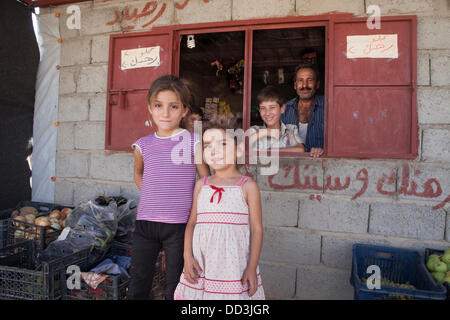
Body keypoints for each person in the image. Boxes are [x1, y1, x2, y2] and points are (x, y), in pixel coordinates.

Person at [128, 74, 209, 300]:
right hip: (145, 224)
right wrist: (152, 194)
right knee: (139, 280)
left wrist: (198, 212)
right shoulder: (142, 144)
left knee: (176, 285)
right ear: (150, 108)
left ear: (184, 110)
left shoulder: (193, 142)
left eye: (173, 106)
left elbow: (205, 179)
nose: (165, 113)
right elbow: (138, 173)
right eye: (159, 106)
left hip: (179, 226)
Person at [174, 115, 265, 300]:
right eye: (207, 145)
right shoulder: (201, 185)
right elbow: (192, 223)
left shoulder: (247, 186)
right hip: (202, 264)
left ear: (238, 149)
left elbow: (256, 229)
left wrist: (252, 267)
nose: (214, 151)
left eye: (222, 144)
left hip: (234, 267)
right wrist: (187, 257)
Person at [281, 63, 324, 158]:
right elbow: (277, 141)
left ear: (317, 84)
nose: (305, 85)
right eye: (300, 80)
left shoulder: (328, 108)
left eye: (310, 80)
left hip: (321, 165)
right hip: (291, 166)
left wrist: (325, 150)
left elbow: (340, 141)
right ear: (295, 85)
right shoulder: (285, 110)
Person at [250, 85, 305, 152]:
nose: (267, 113)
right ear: (259, 110)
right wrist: (263, 133)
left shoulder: (290, 130)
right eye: (263, 108)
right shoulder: (255, 130)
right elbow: (240, 150)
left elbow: (300, 149)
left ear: (282, 109)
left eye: (272, 107)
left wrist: (267, 152)